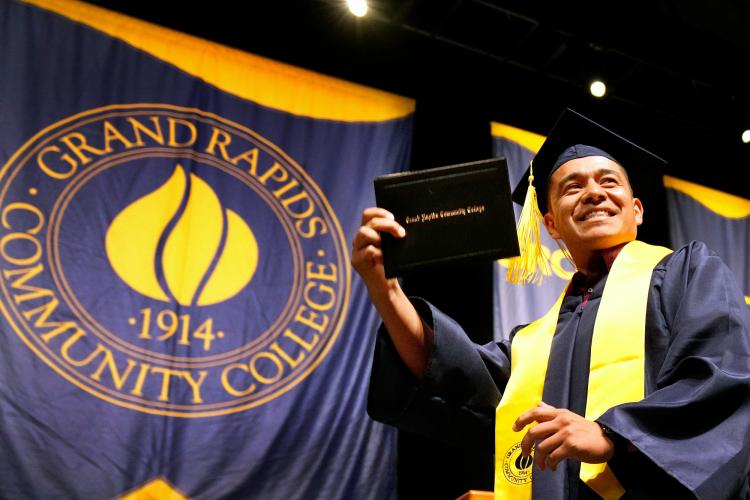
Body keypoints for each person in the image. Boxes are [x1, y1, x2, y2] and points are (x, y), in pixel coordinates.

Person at [351, 108, 750, 499]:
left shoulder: (688, 272)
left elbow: (725, 373)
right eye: (572, 187)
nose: (594, 192)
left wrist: (612, 433)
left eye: (609, 181)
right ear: (551, 224)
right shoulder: (536, 341)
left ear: (637, 209)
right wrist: (385, 289)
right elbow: (449, 371)